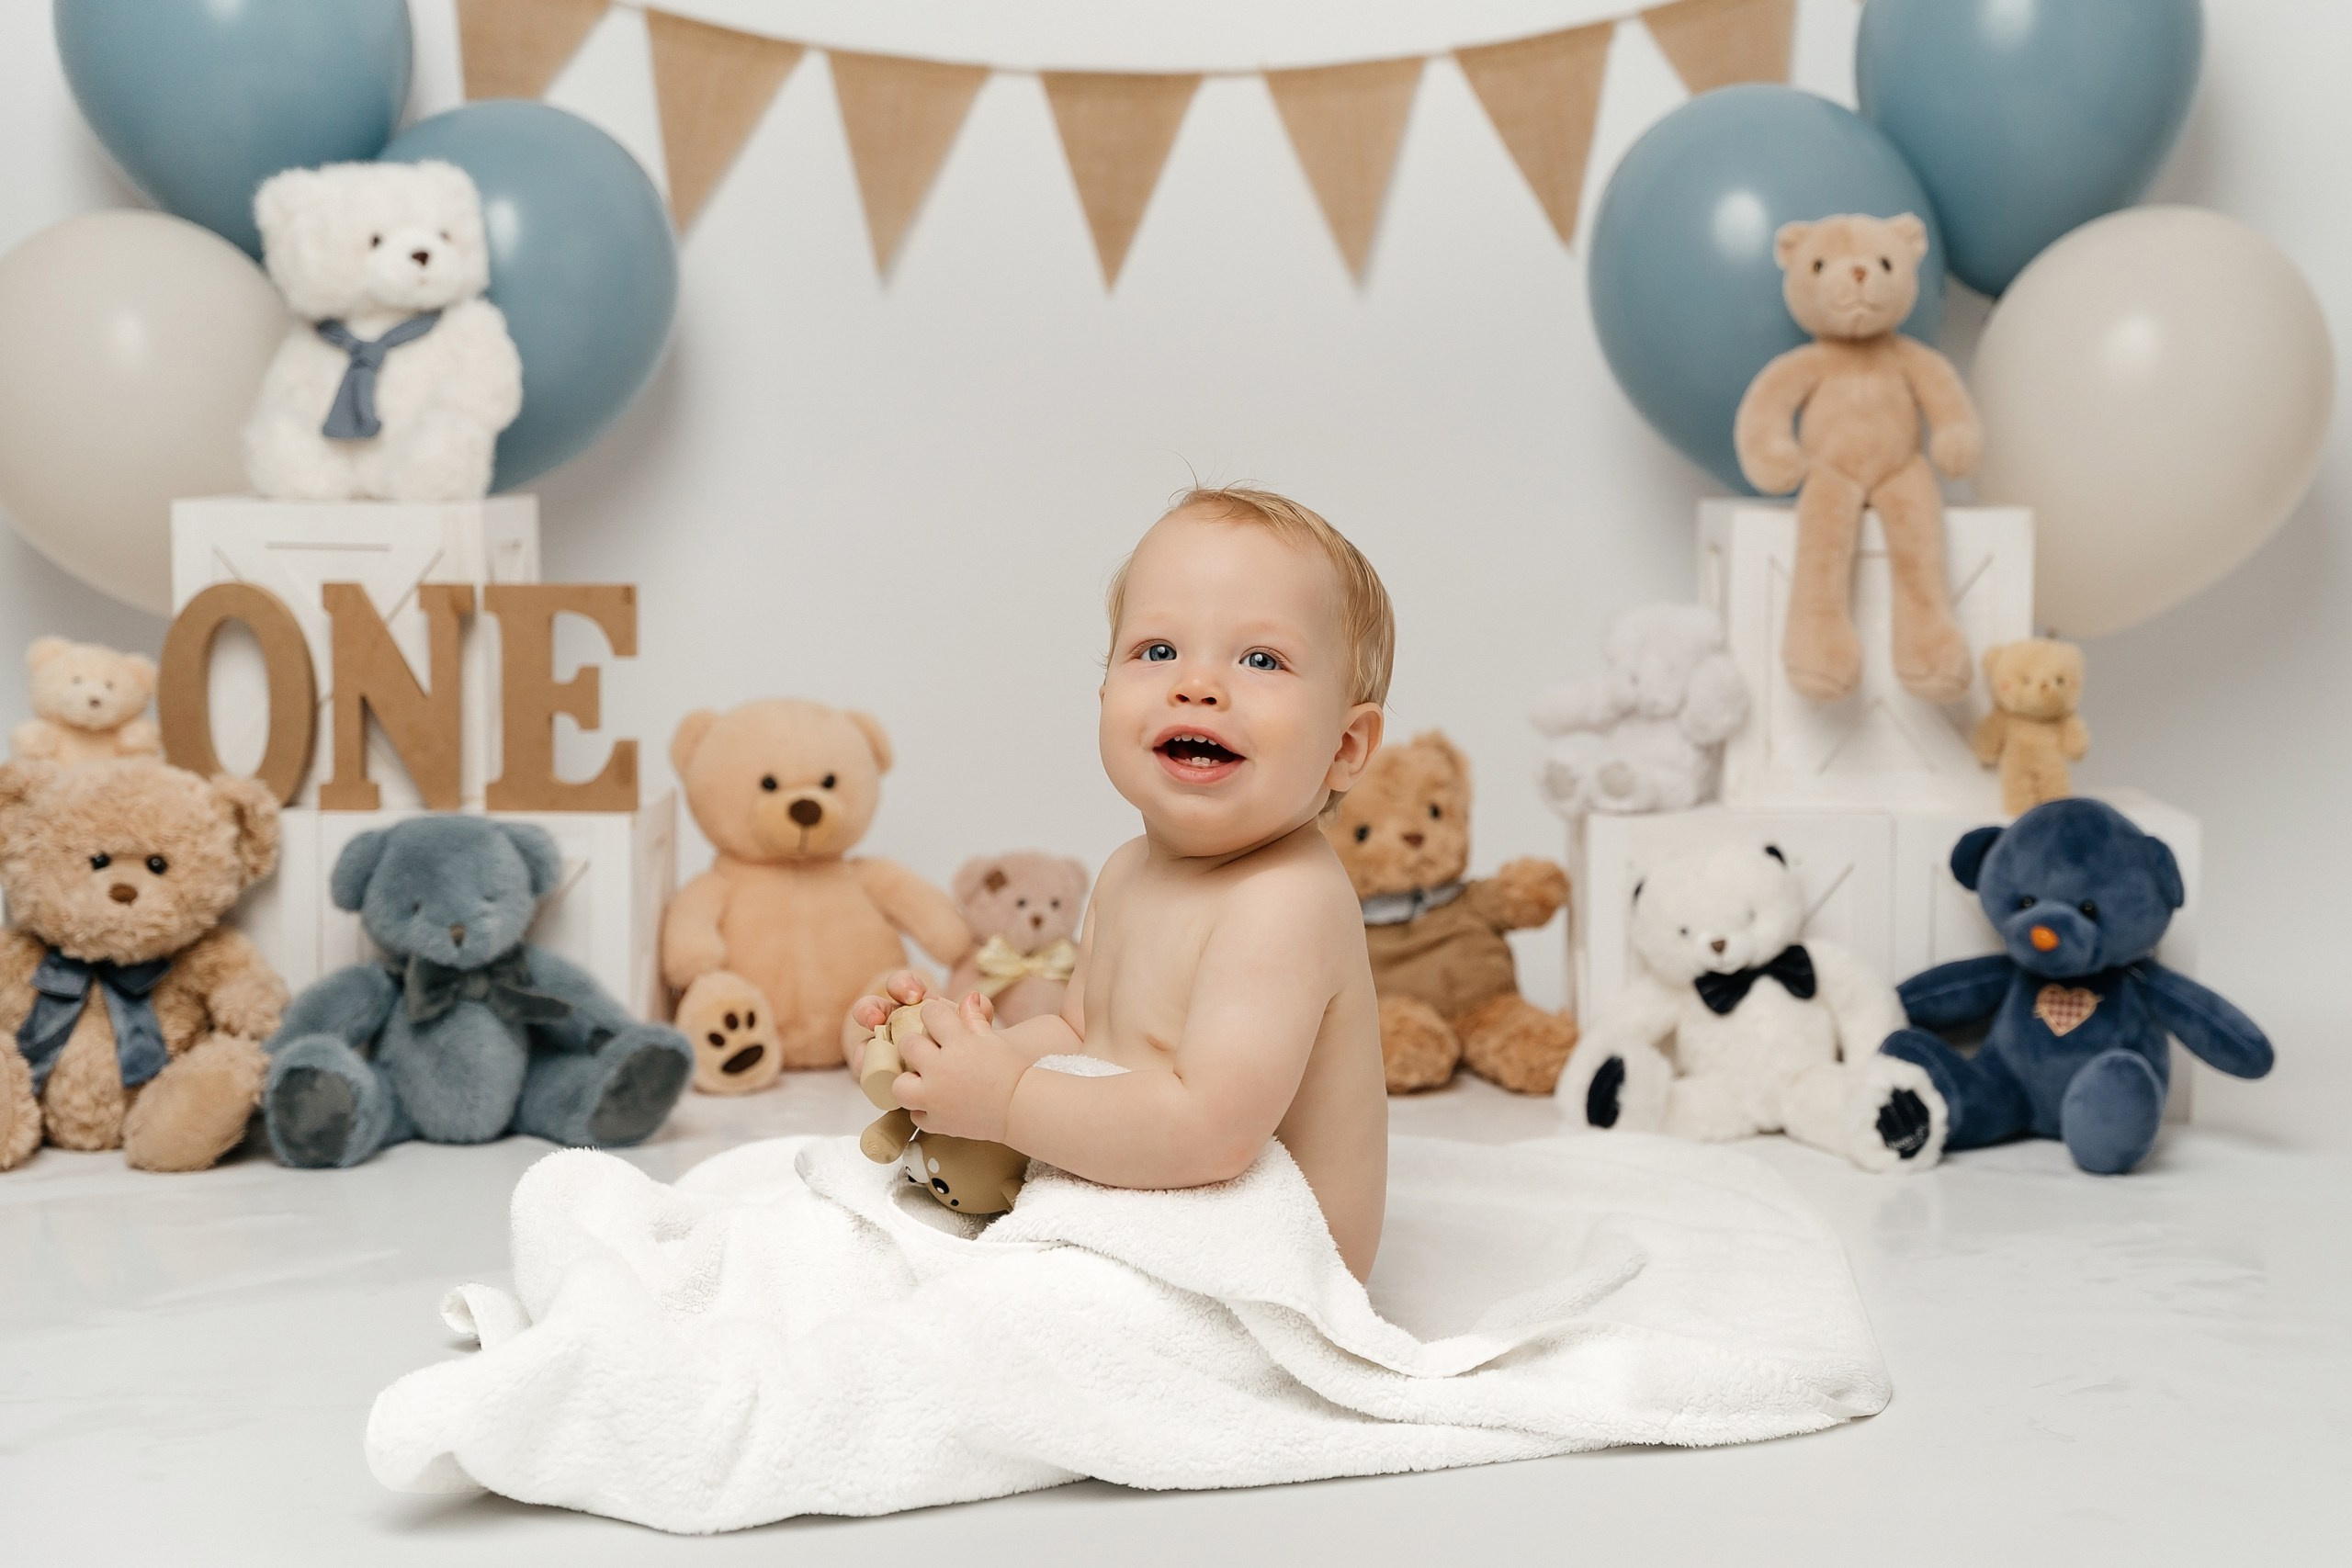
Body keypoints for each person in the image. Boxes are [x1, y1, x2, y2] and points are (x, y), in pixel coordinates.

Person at [850, 486, 1395, 1279]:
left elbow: (1214, 1131)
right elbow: (1081, 1038)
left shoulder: (1286, 901)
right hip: (1157, 1201)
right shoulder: (1127, 870)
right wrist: (962, 1056)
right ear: (1106, 697)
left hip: (1262, 1263)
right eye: (1159, 651)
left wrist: (1008, 1102)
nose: (1197, 686)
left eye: (1260, 659)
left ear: (1346, 746)